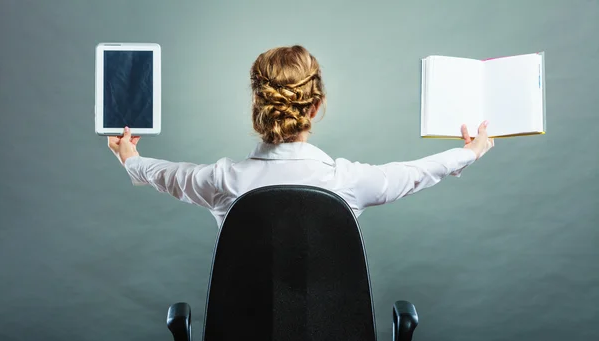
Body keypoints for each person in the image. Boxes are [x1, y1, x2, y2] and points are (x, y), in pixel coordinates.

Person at [107, 45, 494, 229]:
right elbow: (414, 172)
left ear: (258, 103)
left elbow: (163, 174)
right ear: (315, 105)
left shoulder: (221, 181)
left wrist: (129, 158)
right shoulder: (347, 182)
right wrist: (470, 152)